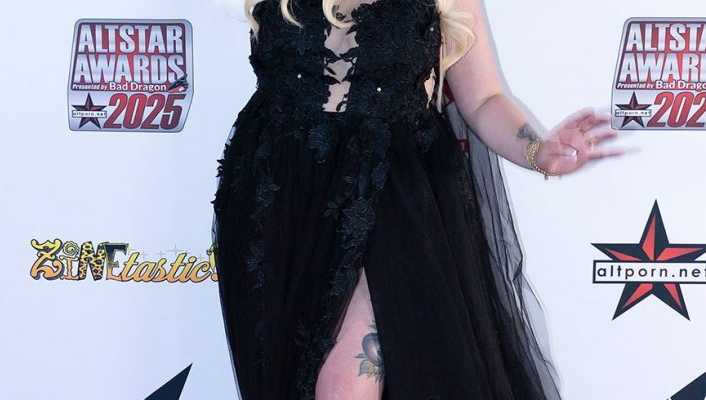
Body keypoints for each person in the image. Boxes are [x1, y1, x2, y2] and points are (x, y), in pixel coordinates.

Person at [210, 0, 625, 398]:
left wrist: (537, 151)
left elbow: (483, 99)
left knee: (343, 388)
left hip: (388, 201)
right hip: (277, 204)